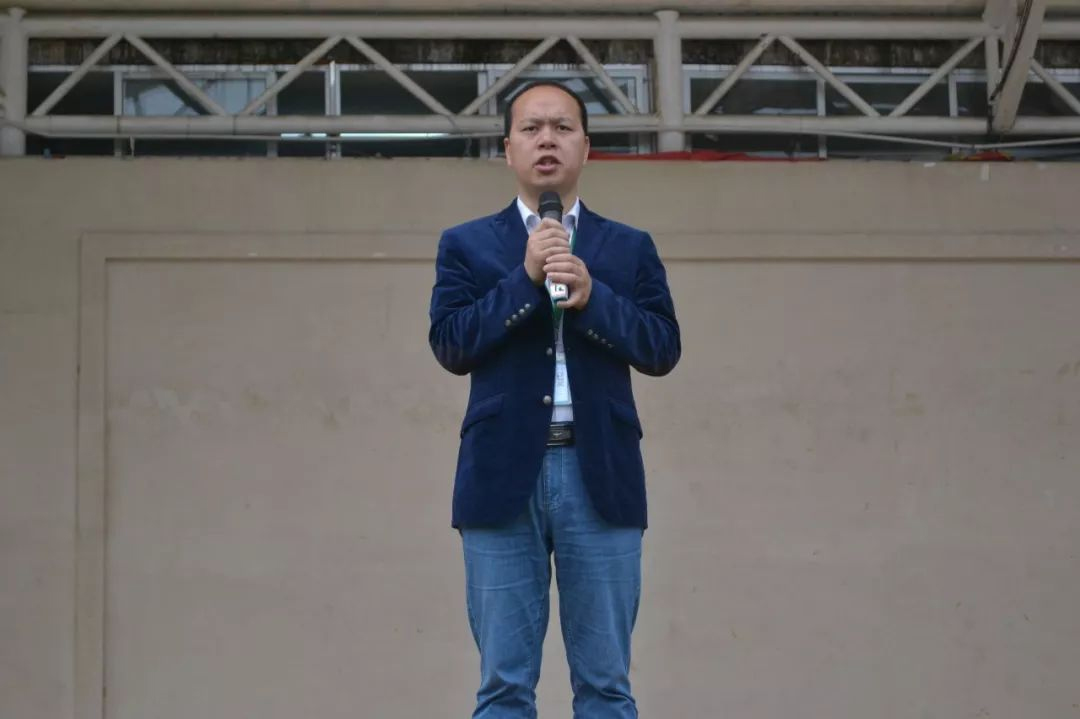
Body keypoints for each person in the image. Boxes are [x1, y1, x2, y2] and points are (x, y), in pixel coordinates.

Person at [428, 80, 681, 719]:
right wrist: (524, 279)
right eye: (532, 128)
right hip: (500, 475)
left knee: (606, 687)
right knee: (504, 687)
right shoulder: (466, 244)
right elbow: (451, 344)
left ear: (586, 148)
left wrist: (595, 297)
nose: (548, 140)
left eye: (563, 128)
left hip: (601, 473)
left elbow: (662, 348)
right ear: (507, 148)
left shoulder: (628, 246)